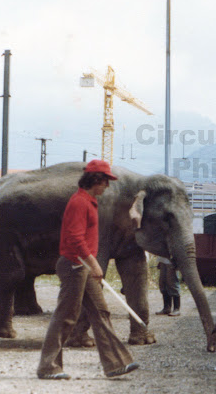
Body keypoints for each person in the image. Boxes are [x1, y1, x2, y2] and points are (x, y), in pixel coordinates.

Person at [37, 160, 139, 380]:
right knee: (66, 316)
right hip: (75, 265)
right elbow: (74, 238)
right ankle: (48, 367)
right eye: (105, 181)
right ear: (94, 179)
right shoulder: (79, 203)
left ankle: (116, 363)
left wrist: (91, 264)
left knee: (101, 312)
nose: (107, 187)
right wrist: (94, 263)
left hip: (83, 266)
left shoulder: (89, 202)